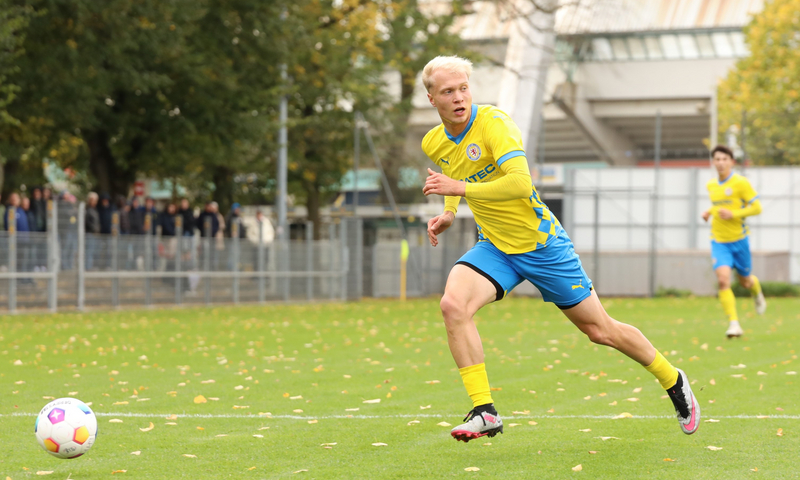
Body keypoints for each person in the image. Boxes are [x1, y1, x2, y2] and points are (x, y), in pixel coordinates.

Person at [419, 55, 700, 443]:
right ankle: (484, 411)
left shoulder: (494, 123)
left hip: (542, 245)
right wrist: (450, 212)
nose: (458, 97)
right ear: (431, 98)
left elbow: (520, 183)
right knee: (453, 305)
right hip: (495, 247)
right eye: (448, 91)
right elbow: (455, 176)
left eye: (464, 88)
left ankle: (673, 379)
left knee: (600, 330)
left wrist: (459, 190)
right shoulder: (433, 141)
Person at [702, 145, 765, 338]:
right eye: (717, 159)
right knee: (723, 280)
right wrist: (709, 212)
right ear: (713, 162)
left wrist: (733, 214)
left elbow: (757, 208)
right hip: (719, 241)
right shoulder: (711, 185)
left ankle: (757, 292)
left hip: (739, 240)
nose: (720, 163)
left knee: (745, 281)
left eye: (724, 159)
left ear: (731, 162)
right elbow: (717, 205)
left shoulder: (740, 183)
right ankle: (734, 324)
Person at [85, 192, 100, 270]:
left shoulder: (94, 210)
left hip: (94, 234)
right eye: (93, 200)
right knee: (89, 251)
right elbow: (87, 222)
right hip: (89, 233)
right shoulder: (88, 210)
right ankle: (88, 267)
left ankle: (91, 266)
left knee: (93, 251)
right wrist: (93, 229)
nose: (94, 202)